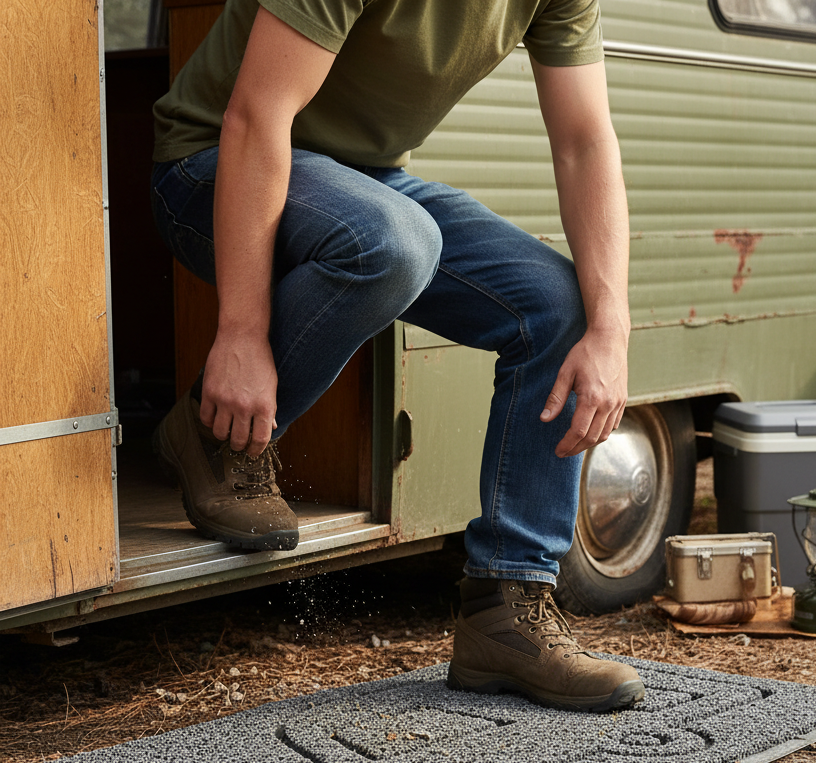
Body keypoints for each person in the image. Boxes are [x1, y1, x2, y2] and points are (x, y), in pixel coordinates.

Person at [150, 0, 644, 712]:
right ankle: (214, 433)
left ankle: (506, 610)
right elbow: (256, 115)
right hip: (209, 164)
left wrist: (613, 329)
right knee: (393, 241)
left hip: (366, 182)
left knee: (563, 306)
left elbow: (585, 141)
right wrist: (240, 334)